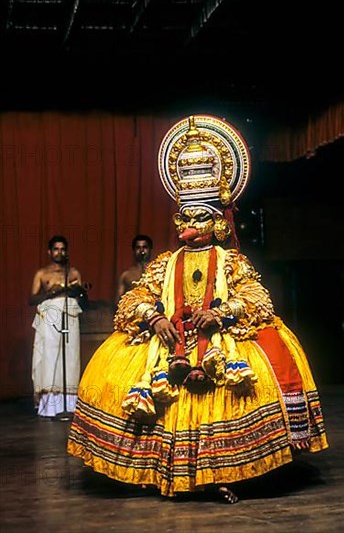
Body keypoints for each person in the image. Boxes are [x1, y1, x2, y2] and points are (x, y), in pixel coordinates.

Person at [68, 115, 328, 503]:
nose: (191, 223)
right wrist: (153, 317)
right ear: (178, 220)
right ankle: (159, 471)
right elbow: (132, 300)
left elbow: (257, 298)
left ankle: (225, 472)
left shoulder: (230, 262)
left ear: (217, 221)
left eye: (200, 216)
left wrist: (222, 314)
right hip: (168, 340)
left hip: (220, 342)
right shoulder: (164, 263)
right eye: (185, 217)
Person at [30, 235, 85, 418]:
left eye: (62, 249)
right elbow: (31, 299)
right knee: (50, 357)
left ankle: (70, 405)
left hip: (70, 317)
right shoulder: (42, 273)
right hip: (49, 319)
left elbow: (83, 301)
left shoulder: (74, 273)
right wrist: (51, 294)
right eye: (56, 249)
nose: (59, 252)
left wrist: (80, 292)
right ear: (49, 252)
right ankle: (50, 406)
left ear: (66, 252)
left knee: (70, 358)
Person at [117, 234, 153, 299]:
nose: (142, 250)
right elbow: (118, 301)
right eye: (138, 247)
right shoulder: (126, 275)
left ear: (150, 249)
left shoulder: (158, 273)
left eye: (145, 247)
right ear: (134, 251)